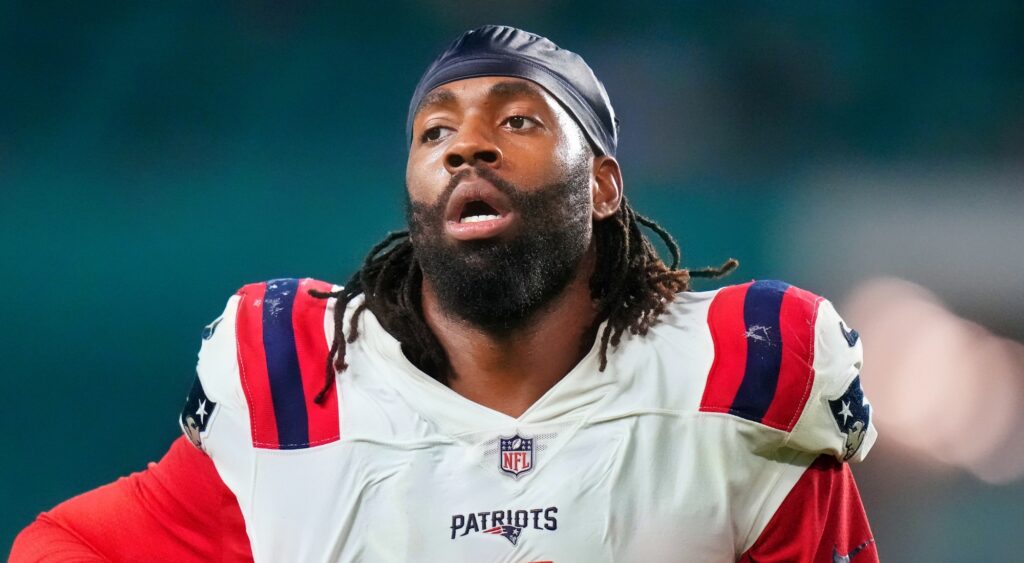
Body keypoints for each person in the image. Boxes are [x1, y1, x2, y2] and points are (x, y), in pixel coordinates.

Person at [11, 25, 879, 562]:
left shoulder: (741, 379)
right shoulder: (296, 391)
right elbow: (65, 549)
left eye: (516, 119)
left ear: (604, 185)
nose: (467, 145)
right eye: (437, 131)